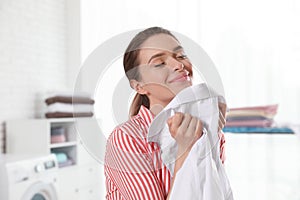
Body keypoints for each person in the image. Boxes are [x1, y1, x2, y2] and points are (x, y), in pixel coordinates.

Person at [104, 27, 227, 200]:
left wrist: (213, 135)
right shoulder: (126, 138)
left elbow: (216, 191)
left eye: (181, 56)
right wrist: (185, 149)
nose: (179, 65)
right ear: (139, 86)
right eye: (159, 63)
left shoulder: (204, 127)